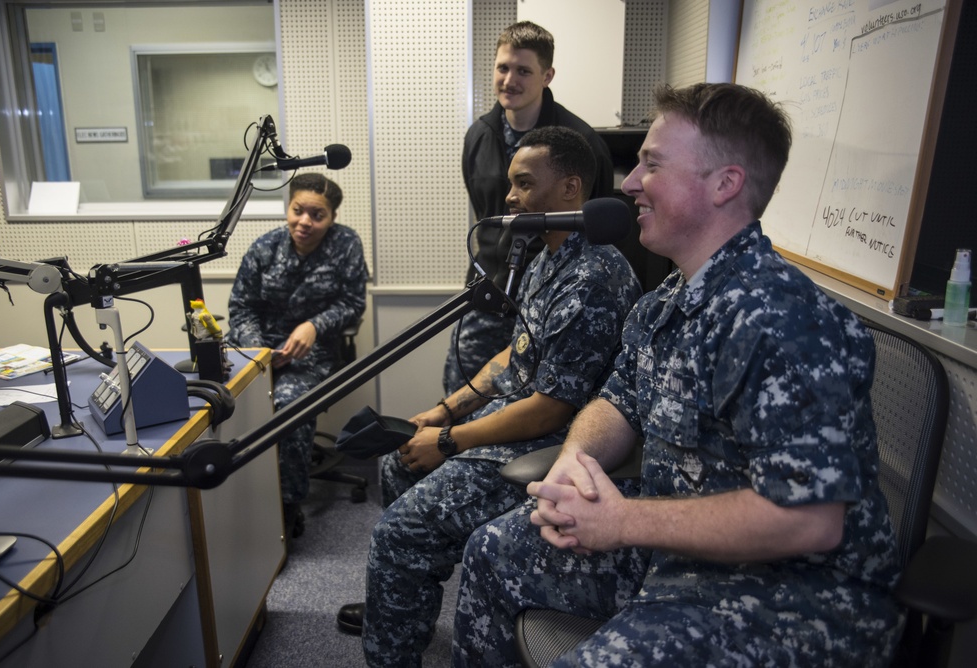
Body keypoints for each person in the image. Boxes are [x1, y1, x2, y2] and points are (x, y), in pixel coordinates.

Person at [453, 83, 905, 667]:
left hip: (792, 596)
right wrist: (575, 464)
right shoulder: (669, 297)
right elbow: (617, 402)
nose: (631, 183)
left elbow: (807, 522)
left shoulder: (780, 319)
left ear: (725, 184)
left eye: (652, 163)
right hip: (675, 551)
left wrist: (621, 521)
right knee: (492, 549)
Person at [337, 127, 641, 667]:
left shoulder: (593, 275)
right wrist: (446, 409)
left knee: (401, 529)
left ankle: (393, 631)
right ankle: (400, 600)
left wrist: (449, 441)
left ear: (571, 188)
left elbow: (552, 407)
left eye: (524, 184)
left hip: (550, 440)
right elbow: (513, 355)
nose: (509, 197)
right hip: (515, 415)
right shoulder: (548, 255)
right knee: (398, 465)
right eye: (510, 184)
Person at [444, 20, 615, 394]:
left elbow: (592, 226)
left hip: (550, 298)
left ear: (547, 75)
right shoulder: (478, 136)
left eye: (523, 70)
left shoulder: (580, 141)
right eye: (503, 68)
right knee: (459, 391)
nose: (509, 80)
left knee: (528, 405)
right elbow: (488, 215)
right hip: (489, 291)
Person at [226, 172, 368, 538]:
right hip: (257, 349)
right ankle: (233, 499)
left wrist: (314, 325)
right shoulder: (265, 247)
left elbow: (352, 304)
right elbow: (241, 308)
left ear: (332, 217)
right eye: (297, 211)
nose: (305, 222)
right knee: (220, 398)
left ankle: (287, 506)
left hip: (312, 353)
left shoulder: (346, 244)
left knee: (288, 406)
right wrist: (258, 350)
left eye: (317, 215)